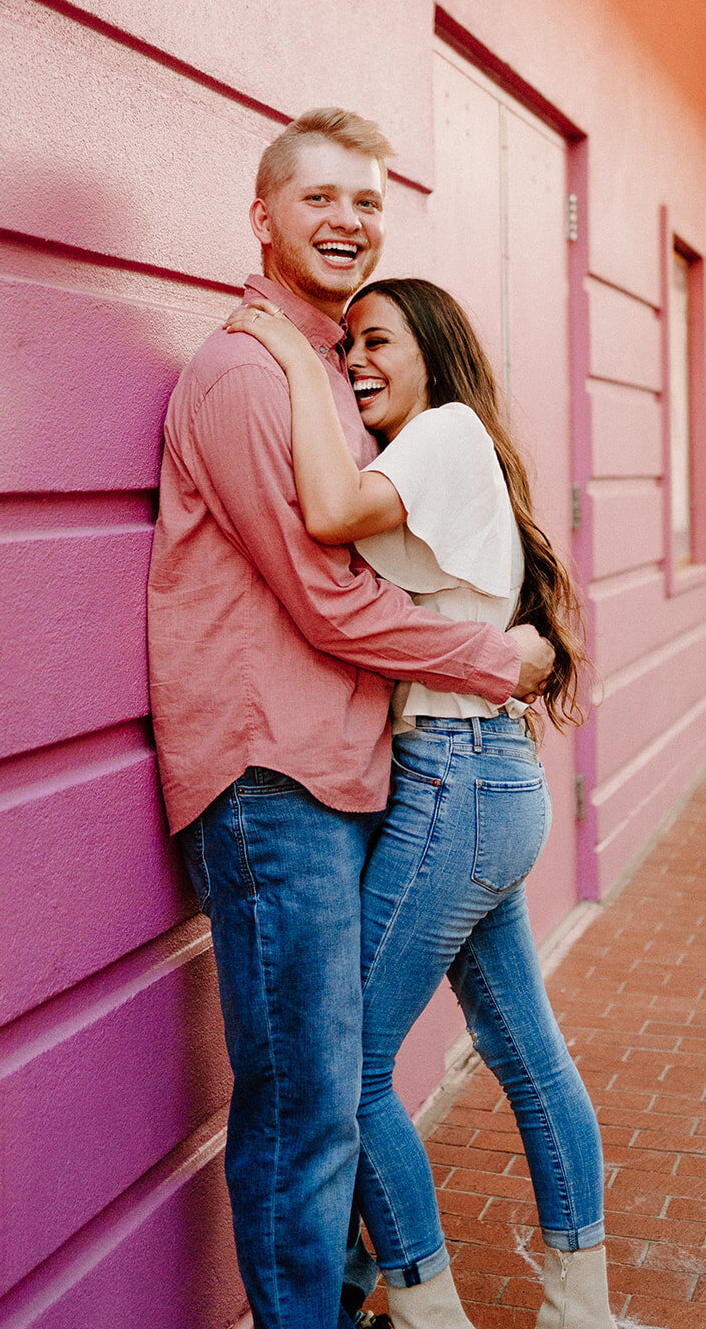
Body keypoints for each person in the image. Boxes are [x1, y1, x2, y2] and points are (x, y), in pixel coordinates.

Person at [146, 108, 554, 1329]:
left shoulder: (334, 372)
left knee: (326, 1087)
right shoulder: (239, 372)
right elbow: (329, 603)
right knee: (305, 1100)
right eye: (319, 198)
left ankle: (359, 1300)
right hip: (270, 778)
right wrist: (496, 657)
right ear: (262, 216)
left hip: (345, 770)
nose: (348, 221)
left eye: (367, 202)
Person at [225, 276, 616, 1328]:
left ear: (433, 355)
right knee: (525, 1047)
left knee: (343, 1068)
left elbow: (330, 510)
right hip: (485, 781)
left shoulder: (443, 432)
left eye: (375, 341)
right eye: (344, 342)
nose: (353, 358)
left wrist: (290, 354)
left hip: (455, 781)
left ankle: (428, 1306)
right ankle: (581, 1306)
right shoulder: (430, 451)